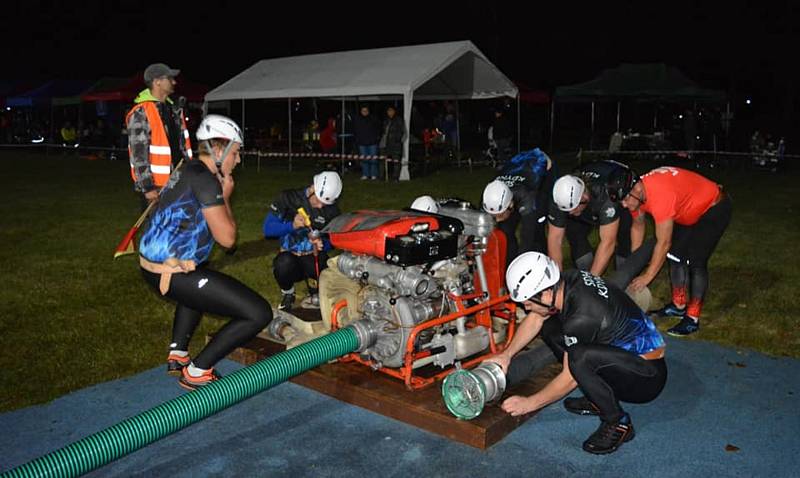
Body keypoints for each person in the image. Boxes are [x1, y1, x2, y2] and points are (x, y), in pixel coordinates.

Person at [138, 115, 272, 390]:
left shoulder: (187, 168)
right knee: (258, 313)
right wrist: (225, 196)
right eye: (236, 152)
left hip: (155, 266)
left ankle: (178, 354)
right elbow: (228, 240)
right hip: (170, 272)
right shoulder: (206, 180)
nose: (238, 160)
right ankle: (198, 371)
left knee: (201, 279)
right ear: (219, 150)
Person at [487, 252, 667, 454]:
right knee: (550, 328)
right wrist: (507, 354)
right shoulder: (568, 279)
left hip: (647, 378)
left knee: (579, 358)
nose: (525, 307)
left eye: (527, 302)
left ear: (546, 292)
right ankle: (599, 396)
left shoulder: (582, 317)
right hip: (628, 360)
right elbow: (537, 318)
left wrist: (529, 403)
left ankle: (618, 422)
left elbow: (569, 376)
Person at [619, 166, 732, 336]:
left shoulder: (658, 195)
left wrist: (648, 276)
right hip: (688, 210)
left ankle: (692, 317)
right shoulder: (638, 192)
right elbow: (638, 225)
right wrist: (636, 265)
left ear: (637, 189)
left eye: (626, 199)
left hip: (713, 207)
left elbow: (663, 243)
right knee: (675, 255)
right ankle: (679, 305)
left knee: (696, 262)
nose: (624, 204)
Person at [263, 171, 343, 312]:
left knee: (321, 268)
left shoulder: (331, 211)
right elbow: (268, 230)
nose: (320, 206)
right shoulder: (288, 198)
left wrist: (323, 244)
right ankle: (288, 293)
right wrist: (291, 226)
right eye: (318, 200)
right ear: (312, 188)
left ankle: (315, 292)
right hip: (290, 256)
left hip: (312, 257)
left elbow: (335, 240)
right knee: (282, 264)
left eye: (324, 203)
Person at [548, 160, 636, 276]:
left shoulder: (605, 196)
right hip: (588, 198)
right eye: (567, 210)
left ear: (584, 197)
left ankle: (624, 273)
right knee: (575, 233)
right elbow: (554, 240)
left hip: (614, 195)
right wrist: (557, 279)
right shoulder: (560, 198)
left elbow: (608, 242)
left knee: (624, 233)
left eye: (573, 208)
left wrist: (592, 281)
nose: (571, 213)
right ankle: (585, 270)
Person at [126, 63, 193, 208]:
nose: (174, 82)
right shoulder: (141, 112)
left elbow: (181, 147)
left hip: (179, 180)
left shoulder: (173, 110)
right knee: (158, 229)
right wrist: (148, 187)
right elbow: (138, 154)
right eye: (170, 78)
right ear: (157, 82)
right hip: (157, 187)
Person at [484, 148, 556, 260]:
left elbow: (527, 236)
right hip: (516, 167)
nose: (497, 220)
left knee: (536, 229)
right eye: (494, 216)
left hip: (542, 168)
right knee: (505, 231)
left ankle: (541, 261)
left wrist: (520, 262)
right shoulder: (489, 195)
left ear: (510, 205)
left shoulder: (526, 195)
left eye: (500, 215)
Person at [353, 105, 382, 180]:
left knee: (373, 159)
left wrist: (376, 137)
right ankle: (365, 174)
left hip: (372, 143)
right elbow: (356, 131)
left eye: (366, 111)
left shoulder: (373, 119)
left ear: (368, 111)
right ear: (361, 111)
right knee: (364, 160)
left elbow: (379, 128)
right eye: (363, 111)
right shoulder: (357, 119)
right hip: (362, 143)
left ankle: (374, 174)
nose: (364, 112)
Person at [380, 105, 406, 180]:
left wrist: (396, 139)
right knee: (382, 160)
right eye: (388, 111)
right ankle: (381, 176)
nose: (390, 112)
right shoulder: (385, 120)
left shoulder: (398, 120)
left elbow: (401, 131)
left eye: (391, 111)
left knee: (396, 161)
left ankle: (395, 177)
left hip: (395, 143)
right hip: (385, 143)